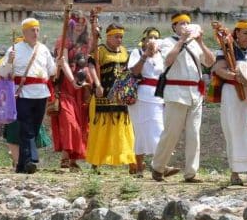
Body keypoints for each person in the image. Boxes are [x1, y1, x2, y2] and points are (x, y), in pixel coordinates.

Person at [151, 13, 214, 182]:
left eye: (188, 23)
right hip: (176, 92)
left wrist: (200, 41)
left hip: (195, 93)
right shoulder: (167, 42)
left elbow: (210, 62)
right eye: (181, 24)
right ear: (174, 27)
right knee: (171, 133)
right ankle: (158, 166)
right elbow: (169, 60)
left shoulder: (195, 44)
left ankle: (191, 172)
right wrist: (182, 40)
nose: (185, 26)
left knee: (194, 134)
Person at [211, 20, 247, 185]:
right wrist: (235, 77)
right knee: (234, 130)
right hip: (233, 94)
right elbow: (218, 69)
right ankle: (235, 173)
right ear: (236, 33)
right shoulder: (228, 49)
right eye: (244, 33)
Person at [0, 18, 56, 174]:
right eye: (32, 30)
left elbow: (52, 71)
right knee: (27, 127)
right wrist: (9, 62)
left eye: (37, 30)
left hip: (41, 93)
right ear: (24, 32)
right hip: (23, 93)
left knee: (35, 128)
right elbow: (3, 72)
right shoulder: (14, 50)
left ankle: (21, 165)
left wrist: (60, 64)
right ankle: (32, 159)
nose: (35, 33)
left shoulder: (43, 49)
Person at [87, 23, 136, 173]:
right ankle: (96, 162)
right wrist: (97, 84)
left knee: (123, 129)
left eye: (121, 37)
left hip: (120, 96)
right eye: (116, 36)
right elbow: (91, 66)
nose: (119, 39)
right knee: (101, 129)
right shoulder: (100, 50)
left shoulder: (124, 51)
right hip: (103, 95)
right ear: (108, 37)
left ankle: (130, 161)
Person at [51, 11, 90, 170]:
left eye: (82, 24)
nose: (80, 27)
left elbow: (88, 63)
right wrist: (72, 80)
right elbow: (63, 61)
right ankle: (65, 157)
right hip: (67, 86)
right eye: (77, 24)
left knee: (80, 123)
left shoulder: (85, 43)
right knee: (69, 122)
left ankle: (72, 160)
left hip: (81, 87)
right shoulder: (63, 41)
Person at [126, 27, 165, 176]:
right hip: (141, 95)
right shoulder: (138, 53)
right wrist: (146, 56)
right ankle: (141, 165)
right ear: (144, 40)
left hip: (159, 95)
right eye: (150, 37)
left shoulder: (162, 55)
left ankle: (159, 165)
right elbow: (134, 71)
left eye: (156, 37)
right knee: (141, 131)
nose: (153, 40)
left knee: (160, 129)